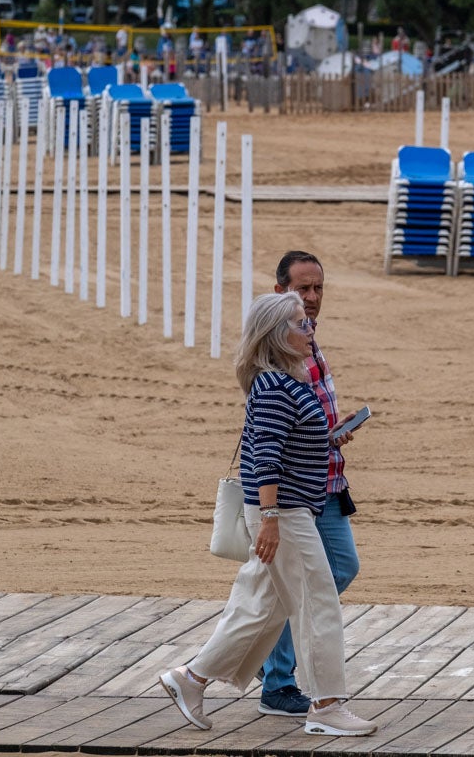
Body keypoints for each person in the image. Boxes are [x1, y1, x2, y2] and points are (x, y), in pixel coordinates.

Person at [158, 291, 377, 738]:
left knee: (259, 605)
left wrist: (330, 437)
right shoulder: (276, 386)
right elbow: (265, 458)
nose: (309, 328)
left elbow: (287, 444)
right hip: (286, 514)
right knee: (318, 603)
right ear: (277, 334)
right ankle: (326, 705)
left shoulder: (286, 382)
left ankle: (191, 679)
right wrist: (272, 517)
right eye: (300, 323)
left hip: (290, 511)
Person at [254, 251, 363, 716]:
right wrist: (269, 513)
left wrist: (331, 433)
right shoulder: (275, 350)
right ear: (280, 291)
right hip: (296, 489)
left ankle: (267, 661)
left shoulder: (309, 338)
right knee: (291, 587)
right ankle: (276, 679)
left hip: (328, 479)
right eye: (303, 289)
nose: (313, 297)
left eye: (319, 288)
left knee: (337, 570)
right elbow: (270, 437)